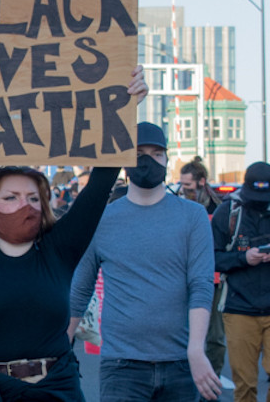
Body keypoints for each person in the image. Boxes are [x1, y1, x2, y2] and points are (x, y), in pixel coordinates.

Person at [0, 51, 148, 400]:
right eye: (12, 198)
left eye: (34, 199)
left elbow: (101, 181)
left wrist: (128, 105)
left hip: (55, 389)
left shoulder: (59, 252)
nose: (25, 206)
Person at [69, 122, 221, 401]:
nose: (149, 160)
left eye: (156, 153)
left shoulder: (193, 216)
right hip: (121, 365)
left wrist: (196, 350)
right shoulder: (100, 220)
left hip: (180, 362)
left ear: (166, 159)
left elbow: (200, 284)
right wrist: (60, 348)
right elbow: (80, 288)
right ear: (125, 162)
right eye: (139, 153)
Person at [211, 161, 270, 402]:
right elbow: (212, 258)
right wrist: (244, 258)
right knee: (245, 385)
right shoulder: (228, 213)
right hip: (240, 308)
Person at [177, 158, 226, 384]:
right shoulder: (177, 206)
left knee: (215, 337)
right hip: (182, 280)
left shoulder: (218, 209)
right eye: (181, 184)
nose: (182, 189)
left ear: (201, 182)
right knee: (185, 334)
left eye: (187, 185)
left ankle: (212, 380)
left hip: (214, 281)